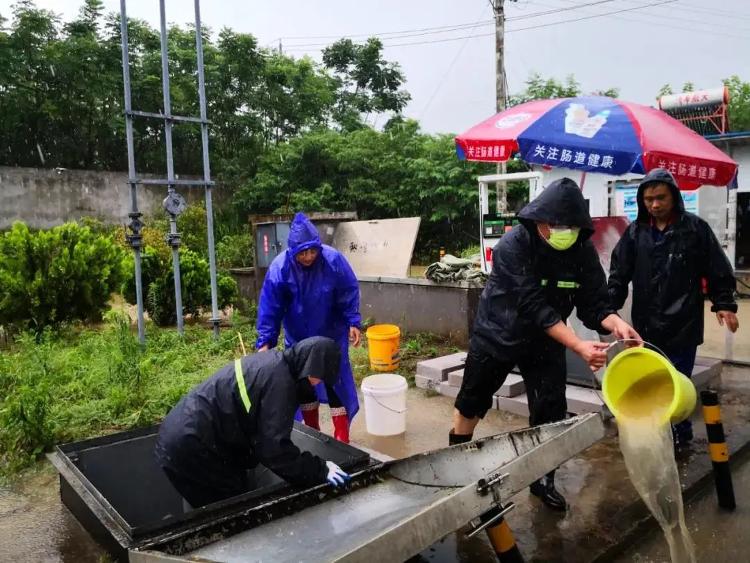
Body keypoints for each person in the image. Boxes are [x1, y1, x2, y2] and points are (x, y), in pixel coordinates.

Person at [451, 177, 641, 512]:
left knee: (550, 408)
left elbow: (595, 302)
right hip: (498, 332)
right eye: (555, 225)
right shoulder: (513, 246)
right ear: (539, 221)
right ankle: (457, 468)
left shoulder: (581, 250)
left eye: (570, 225)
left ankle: (542, 478)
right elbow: (533, 306)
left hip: (546, 340)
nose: (562, 231)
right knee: (472, 399)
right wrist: (579, 346)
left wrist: (618, 325)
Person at [608, 168, 739, 448]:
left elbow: (717, 268)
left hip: (684, 323)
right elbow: (619, 274)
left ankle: (680, 435)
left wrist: (724, 303)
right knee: (651, 381)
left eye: (660, 198)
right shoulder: (635, 233)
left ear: (674, 197)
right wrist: (609, 312)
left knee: (678, 383)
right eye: (648, 200)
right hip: (646, 325)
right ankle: (655, 434)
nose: (654, 205)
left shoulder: (694, 229)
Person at [155, 337, 351, 509]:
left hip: (178, 435)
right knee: (231, 511)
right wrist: (319, 470)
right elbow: (274, 451)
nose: (316, 384)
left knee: (209, 507)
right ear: (311, 365)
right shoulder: (281, 384)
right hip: (193, 446)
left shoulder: (273, 364)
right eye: (318, 377)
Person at [256, 212, 361, 444]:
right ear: (293, 251)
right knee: (303, 384)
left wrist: (353, 321)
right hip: (298, 336)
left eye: (312, 250)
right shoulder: (280, 268)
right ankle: (313, 431)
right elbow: (270, 307)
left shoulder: (333, 261)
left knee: (336, 382)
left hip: (332, 333)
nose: (308, 256)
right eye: (302, 252)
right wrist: (266, 340)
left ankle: (342, 436)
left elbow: (348, 291)